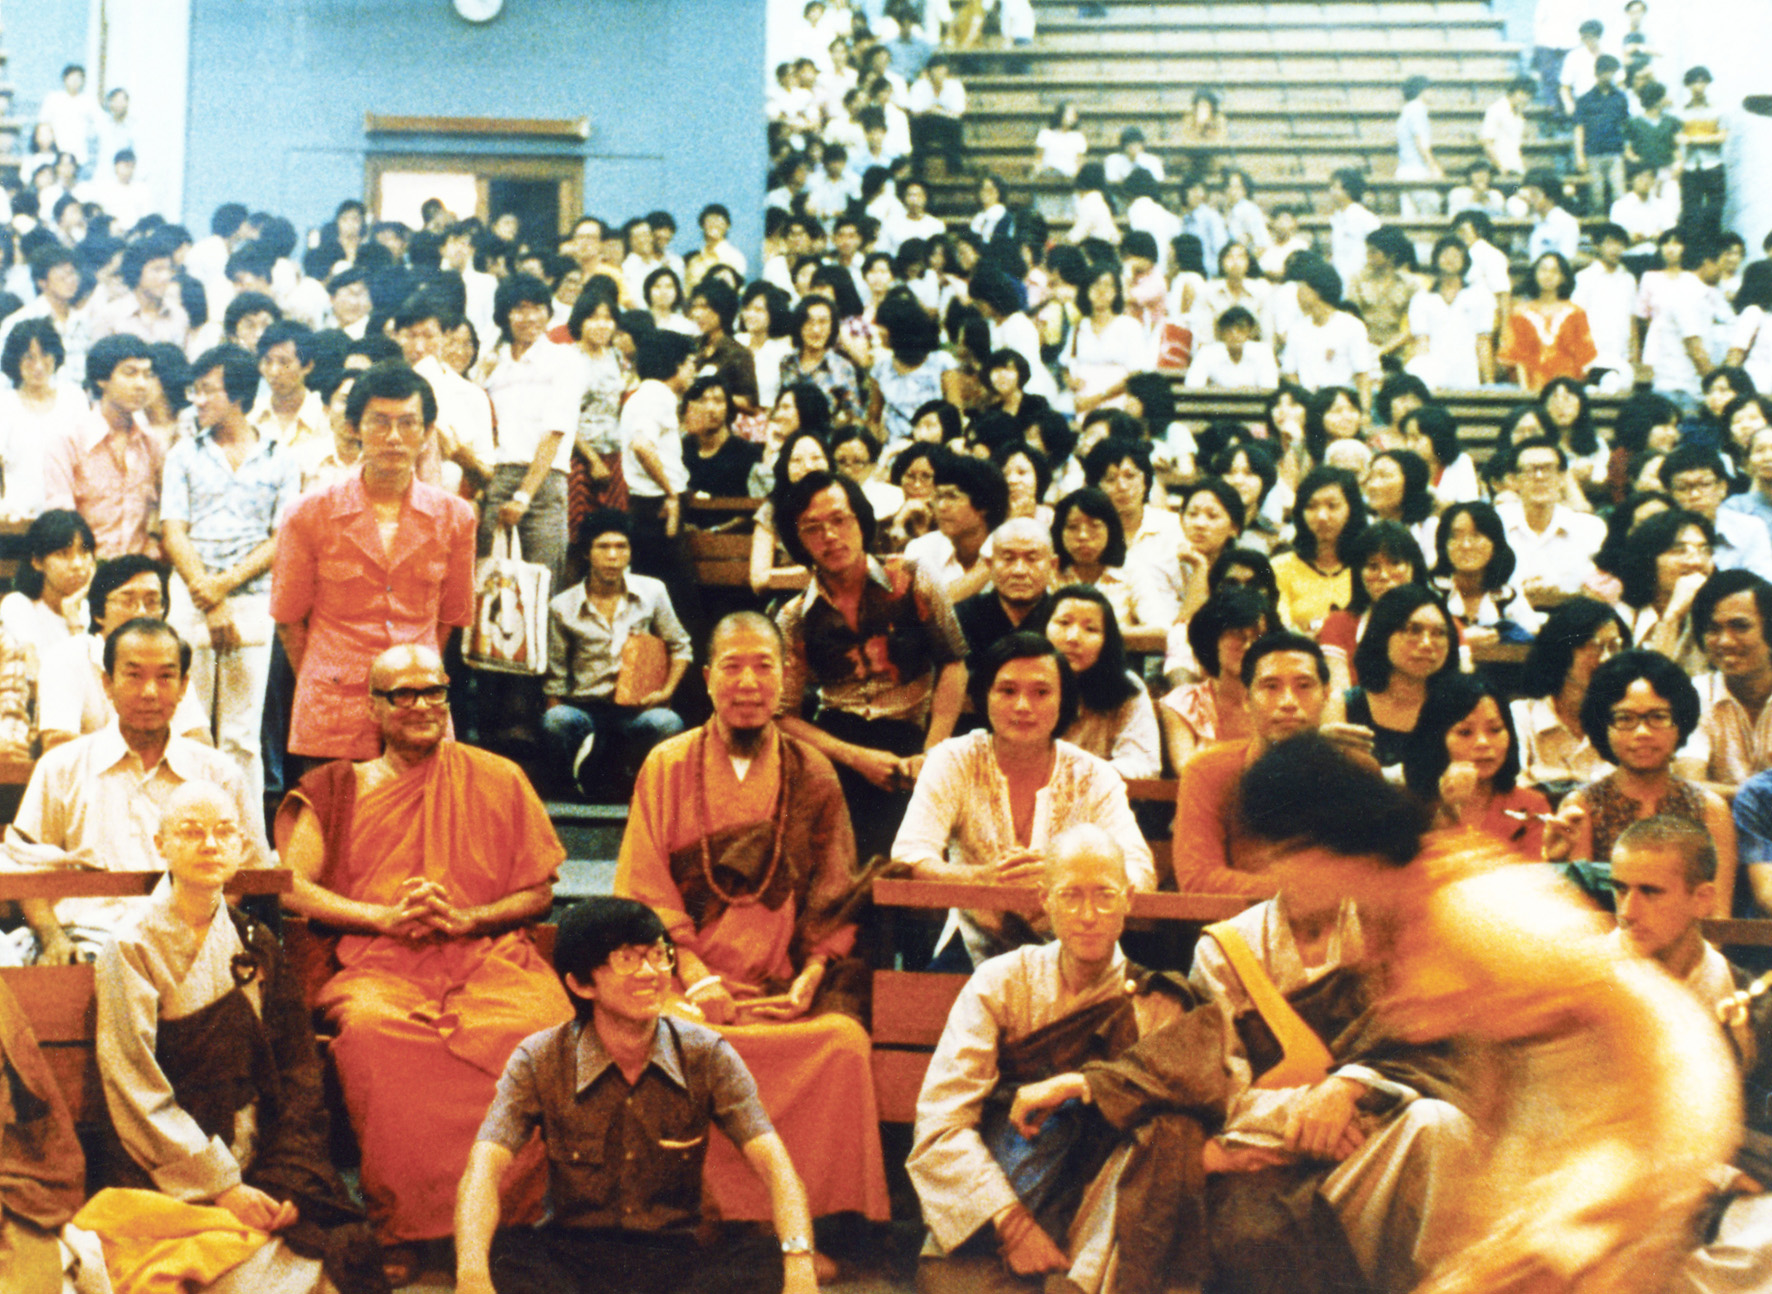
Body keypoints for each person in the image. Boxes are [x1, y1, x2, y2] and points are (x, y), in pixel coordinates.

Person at [1228, 733, 1737, 1294]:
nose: (1271, 870)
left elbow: (1641, 1020)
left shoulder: (1476, 904)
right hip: (1552, 1104)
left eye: (1280, 851)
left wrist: (1628, 1188)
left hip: (1652, 1083)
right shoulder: (1387, 908)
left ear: (1320, 841)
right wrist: (1481, 1193)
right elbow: (1492, 1047)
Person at [275, 644, 573, 1265]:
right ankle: (407, 1229)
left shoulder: (497, 777)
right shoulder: (338, 788)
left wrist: (469, 918)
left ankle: (510, 1224)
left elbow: (539, 892)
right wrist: (379, 916)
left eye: (433, 691)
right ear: (373, 707)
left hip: (488, 957)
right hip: (378, 963)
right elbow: (291, 887)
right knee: (376, 1038)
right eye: (402, 694)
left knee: (536, 1028)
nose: (420, 706)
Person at [614, 611, 888, 1230]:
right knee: (667, 1037)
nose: (747, 683)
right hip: (681, 985)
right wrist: (694, 976)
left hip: (779, 989)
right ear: (707, 677)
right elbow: (642, 890)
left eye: (763, 667)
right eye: (732, 667)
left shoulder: (813, 771)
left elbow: (835, 892)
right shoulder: (667, 764)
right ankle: (701, 1221)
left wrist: (813, 974)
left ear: (786, 678)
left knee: (841, 1045)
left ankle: (793, 1225)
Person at [908, 824, 1230, 1294]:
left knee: (1169, 1131)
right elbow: (941, 1123)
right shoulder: (1001, 983)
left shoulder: (1156, 1002)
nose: (1088, 916)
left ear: (1129, 900)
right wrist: (1013, 1226)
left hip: (1099, 1219)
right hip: (1004, 1204)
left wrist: (1084, 1086)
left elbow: (1202, 1091)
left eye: (1105, 896)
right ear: (1044, 901)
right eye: (1070, 896)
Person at [91, 782, 381, 1294]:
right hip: (171, 1169)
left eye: (224, 831)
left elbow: (297, 1070)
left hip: (261, 1162)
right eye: (191, 832)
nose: (210, 844)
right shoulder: (130, 947)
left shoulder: (256, 942)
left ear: (242, 845)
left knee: (335, 1257)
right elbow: (134, 1087)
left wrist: (289, 1178)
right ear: (161, 844)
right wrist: (222, 1185)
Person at [453, 896, 820, 1294]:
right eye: (627, 960)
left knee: (768, 1259)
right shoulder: (539, 1058)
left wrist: (799, 1266)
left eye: (659, 956)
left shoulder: (707, 1053)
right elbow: (484, 1169)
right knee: (497, 1255)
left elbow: (776, 1168)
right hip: (572, 1257)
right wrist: (472, 1276)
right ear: (581, 984)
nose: (651, 973)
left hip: (676, 1257)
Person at [9, 619, 269, 967]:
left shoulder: (217, 774)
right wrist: (52, 937)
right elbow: (25, 866)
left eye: (165, 677)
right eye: (134, 676)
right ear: (107, 683)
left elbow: (246, 870)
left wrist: (196, 934)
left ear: (183, 686)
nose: (149, 692)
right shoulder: (61, 767)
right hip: (84, 939)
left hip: (189, 943)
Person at [892, 632, 1154, 966]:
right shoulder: (953, 759)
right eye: (1007, 690)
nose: (1022, 706)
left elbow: (1139, 871)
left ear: (1064, 700)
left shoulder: (1094, 775)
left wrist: (1066, 875)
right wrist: (981, 878)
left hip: (1074, 943)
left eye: (1041, 692)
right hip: (974, 941)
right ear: (985, 695)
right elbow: (908, 857)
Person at [271, 361, 477, 765]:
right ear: (354, 428)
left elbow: (451, 617)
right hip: (333, 708)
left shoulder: (456, 517)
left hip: (421, 710)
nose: (394, 437)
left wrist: (417, 678)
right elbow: (288, 620)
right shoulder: (308, 514)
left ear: (427, 432)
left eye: (408, 423)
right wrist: (321, 679)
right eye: (380, 422)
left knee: (424, 807)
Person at [775, 470, 968, 862]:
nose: (830, 536)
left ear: (861, 521)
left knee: (909, 852)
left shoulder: (914, 577)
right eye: (812, 528)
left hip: (912, 736)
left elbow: (953, 663)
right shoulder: (794, 617)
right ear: (798, 541)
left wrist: (932, 755)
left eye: (839, 519)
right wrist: (857, 758)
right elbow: (783, 716)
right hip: (837, 742)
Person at [164, 344, 301, 809]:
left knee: (242, 734)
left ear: (238, 394)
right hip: (191, 595)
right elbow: (173, 531)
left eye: (208, 390)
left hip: (252, 600)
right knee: (189, 724)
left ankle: (244, 840)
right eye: (195, 390)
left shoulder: (281, 458)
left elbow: (281, 539)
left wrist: (223, 587)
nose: (198, 400)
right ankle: (185, 827)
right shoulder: (182, 455)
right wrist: (207, 593)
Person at [1546, 649, 1737, 915]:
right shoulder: (1583, 806)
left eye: (1658, 717)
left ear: (1680, 722)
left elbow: (1718, 916)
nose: (1643, 732)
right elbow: (1583, 917)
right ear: (1604, 726)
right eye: (1625, 718)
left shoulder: (1710, 809)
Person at [1171, 631, 1346, 896]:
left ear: (1326, 695)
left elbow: (1373, 877)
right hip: (1234, 920)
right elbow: (1198, 879)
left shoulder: (1353, 770)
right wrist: (1299, 894)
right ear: (1246, 699)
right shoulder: (1207, 771)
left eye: (1304, 686)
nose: (1288, 702)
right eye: (1271, 687)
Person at [543, 509, 692, 800]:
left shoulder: (653, 592)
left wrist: (666, 691)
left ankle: (640, 790)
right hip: (585, 709)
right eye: (603, 547)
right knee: (556, 720)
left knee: (667, 723)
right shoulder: (562, 606)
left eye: (621, 546)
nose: (613, 556)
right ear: (587, 553)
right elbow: (555, 676)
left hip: (636, 710)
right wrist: (555, 713)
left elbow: (680, 646)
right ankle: (570, 791)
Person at [37, 554, 210, 750]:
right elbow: (57, 743)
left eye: (152, 602)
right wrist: (139, 759)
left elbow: (200, 742)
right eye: (128, 601)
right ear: (99, 613)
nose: (141, 612)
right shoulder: (66, 658)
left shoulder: (169, 661)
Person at [479, 274, 581, 593]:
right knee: (492, 589)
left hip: (544, 484)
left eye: (538, 308)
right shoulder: (493, 364)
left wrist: (524, 496)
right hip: (498, 480)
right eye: (519, 309)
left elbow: (555, 433)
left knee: (541, 587)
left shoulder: (564, 359)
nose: (530, 317)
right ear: (505, 315)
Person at [1403, 672, 1551, 857]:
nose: (1483, 742)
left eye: (1495, 730)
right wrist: (1447, 812)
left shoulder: (1531, 805)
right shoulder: (1410, 807)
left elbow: (1536, 871)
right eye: (1465, 732)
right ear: (1436, 739)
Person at [44, 332, 164, 559]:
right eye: (130, 373)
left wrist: (153, 541)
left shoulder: (151, 444)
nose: (141, 384)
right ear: (102, 379)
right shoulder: (68, 441)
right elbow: (61, 524)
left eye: (147, 374)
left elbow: (163, 511)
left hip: (139, 568)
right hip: (84, 567)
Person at [1608, 816, 1743, 1006]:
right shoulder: (1583, 982)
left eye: (1650, 892)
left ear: (1702, 899)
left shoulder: (1738, 992)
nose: (1626, 913)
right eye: (1621, 889)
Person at [1510, 596, 1628, 797]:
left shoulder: (1626, 719)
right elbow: (1511, 787)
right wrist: (1588, 780)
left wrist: (1552, 777)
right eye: (1596, 646)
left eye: (1614, 646)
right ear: (1562, 652)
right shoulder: (1523, 714)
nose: (1607, 658)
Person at [1045, 585, 1160, 778]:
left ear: (1107, 640)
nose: (1073, 638)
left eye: (1090, 629)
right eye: (1064, 623)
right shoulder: (1019, 677)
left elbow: (1143, 764)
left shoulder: (1126, 685)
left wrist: (1077, 775)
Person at [1343, 584, 1459, 773]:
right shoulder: (1345, 705)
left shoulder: (1460, 707)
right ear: (1383, 635)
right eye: (1414, 630)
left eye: (1439, 633)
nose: (1427, 644)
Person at [1160, 584, 1271, 770]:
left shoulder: (1279, 700)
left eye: (1258, 636)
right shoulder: (1183, 704)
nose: (1248, 645)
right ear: (1212, 640)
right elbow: (1187, 770)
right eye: (1237, 635)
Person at [1496, 438, 1608, 606]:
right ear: (1513, 480)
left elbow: (1605, 594)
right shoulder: (1496, 523)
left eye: (1548, 469)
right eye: (1529, 470)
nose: (1539, 477)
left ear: (1562, 477)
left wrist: (1563, 598)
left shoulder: (1591, 528)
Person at [1691, 570, 1772, 788]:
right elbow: (1690, 786)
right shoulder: (1697, 694)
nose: (1725, 641)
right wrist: (1758, 798)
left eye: (1740, 626)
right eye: (1713, 629)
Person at [1614, 507, 1715, 674]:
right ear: (1648, 559)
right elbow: (1653, 684)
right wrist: (1672, 617)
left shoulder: (1719, 614)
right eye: (1679, 550)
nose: (1696, 562)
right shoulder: (1620, 617)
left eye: (1705, 550)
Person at [954, 517, 1057, 672]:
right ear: (990, 564)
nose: (1019, 571)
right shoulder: (962, 616)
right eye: (1008, 558)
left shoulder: (1063, 617)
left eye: (1032, 559)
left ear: (1053, 565)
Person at [1272, 466, 1365, 634]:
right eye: (1311, 506)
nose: (1321, 516)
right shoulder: (1280, 567)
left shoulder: (1368, 566)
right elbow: (1279, 626)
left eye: (1332, 506)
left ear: (1352, 509)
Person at [1662, 445, 1772, 581]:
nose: (1695, 495)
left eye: (1705, 484)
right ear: (1670, 493)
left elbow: (1762, 582)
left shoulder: (1750, 528)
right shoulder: (1659, 531)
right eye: (1683, 488)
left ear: (1722, 488)